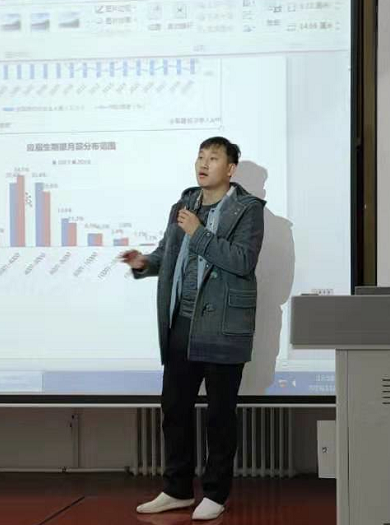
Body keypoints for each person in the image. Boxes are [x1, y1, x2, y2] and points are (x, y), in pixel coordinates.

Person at [120, 136, 266, 521]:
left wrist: (199, 232)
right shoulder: (184, 204)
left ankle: (216, 493)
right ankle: (177, 489)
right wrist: (144, 263)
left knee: (220, 416)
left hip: (222, 326)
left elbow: (242, 261)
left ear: (230, 169)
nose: (203, 164)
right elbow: (169, 253)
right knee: (174, 410)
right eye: (200, 157)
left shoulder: (248, 210)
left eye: (213, 158)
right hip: (182, 323)